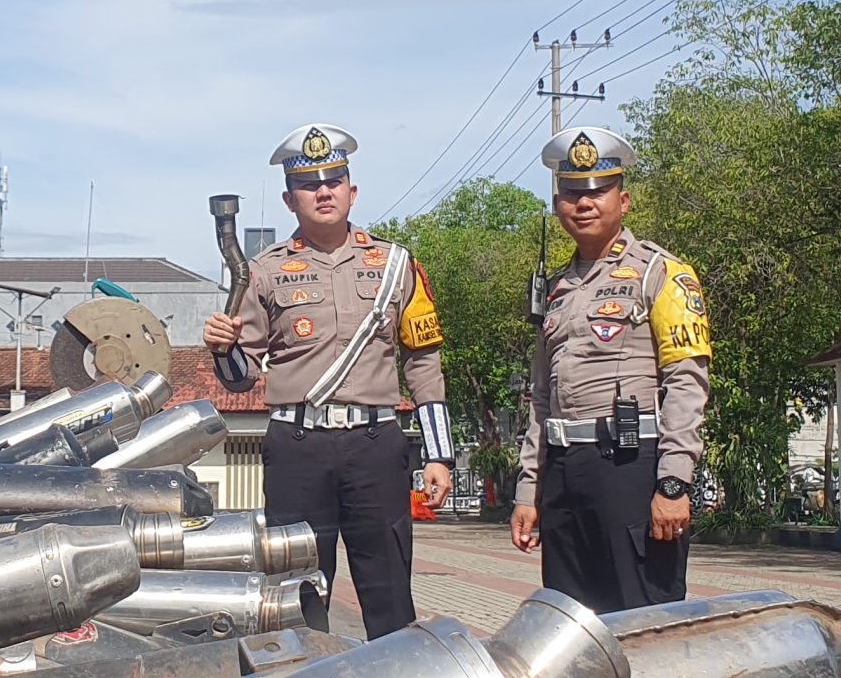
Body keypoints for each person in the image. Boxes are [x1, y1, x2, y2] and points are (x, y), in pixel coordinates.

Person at [202, 124, 453, 637]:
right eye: (308, 184)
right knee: (295, 596)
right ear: (289, 199)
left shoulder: (395, 264)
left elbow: (424, 362)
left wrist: (439, 455)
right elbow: (241, 377)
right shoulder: (263, 272)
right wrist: (223, 348)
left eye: (333, 181)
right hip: (298, 447)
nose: (323, 192)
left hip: (375, 443)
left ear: (351, 191)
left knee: (388, 592)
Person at [510, 125, 710, 612]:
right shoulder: (556, 289)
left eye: (598, 191)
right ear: (557, 204)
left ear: (624, 200)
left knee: (645, 620)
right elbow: (541, 398)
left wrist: (673, 483)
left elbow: (686, 384)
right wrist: (528, 489)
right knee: (570, 624)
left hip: (630, 466)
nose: (584, 203)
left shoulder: (661, 274)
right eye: (571, 192)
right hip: (563, 473)